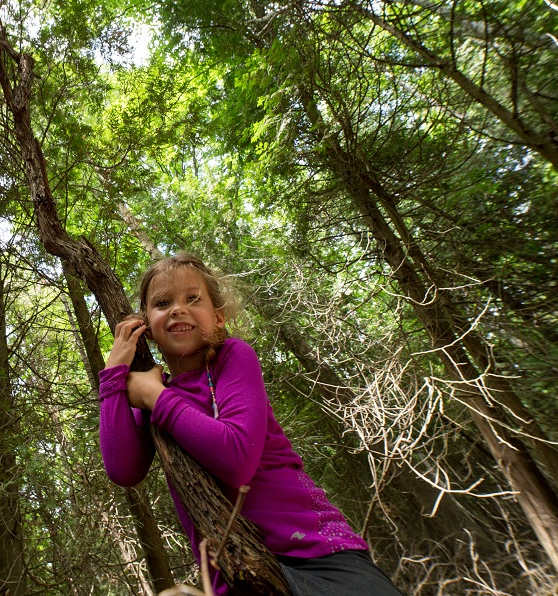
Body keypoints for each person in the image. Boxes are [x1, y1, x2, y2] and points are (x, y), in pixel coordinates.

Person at [98, 253, 402, 595]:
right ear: (148, 328)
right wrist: (113, 378)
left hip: (318, 554)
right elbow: (123, 470)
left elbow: (237, 459)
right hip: (235, 574)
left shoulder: (232, 356)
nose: (178, 309)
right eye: (162, 303)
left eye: (192, 299)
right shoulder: (155, 391)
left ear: (218, 318)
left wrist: (155, 396)